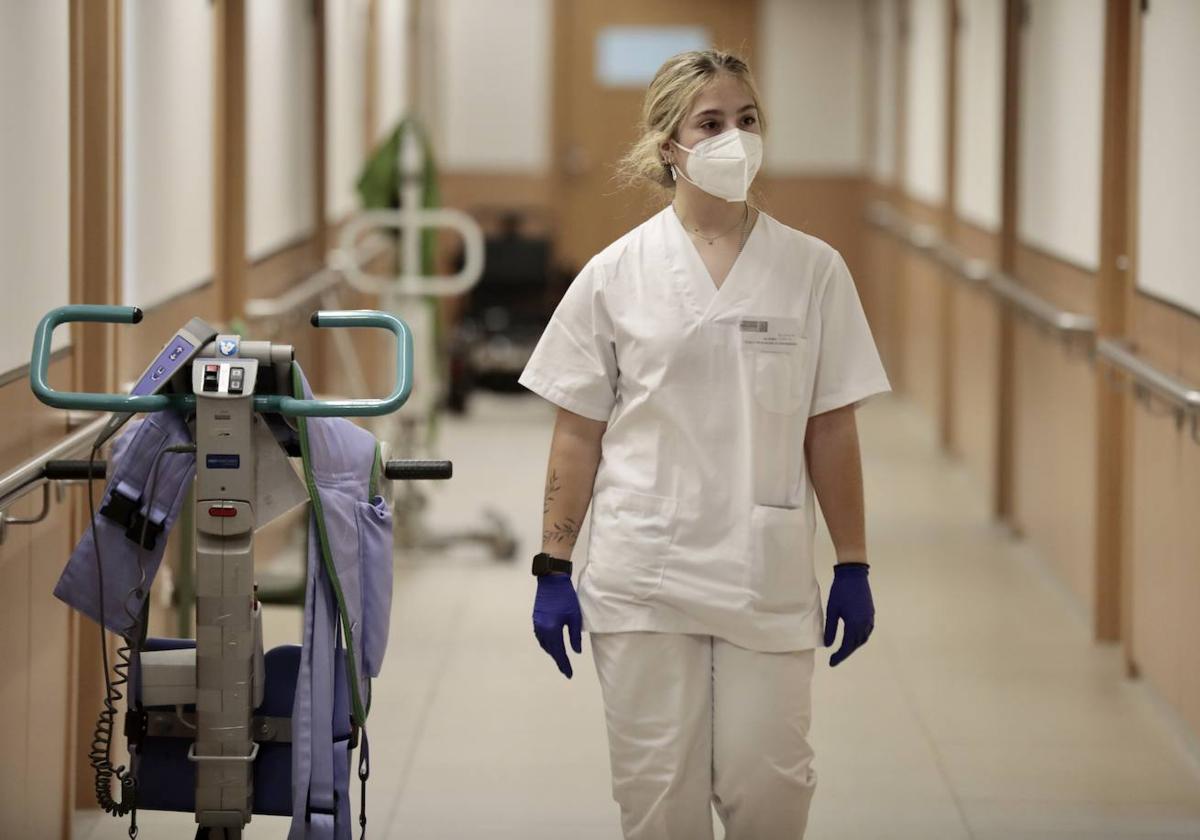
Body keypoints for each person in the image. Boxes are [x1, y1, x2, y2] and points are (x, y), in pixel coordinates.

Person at [518, 49, 891, 840]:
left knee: (774, 790)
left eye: (748, 120)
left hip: (765, 568)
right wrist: (554, 561)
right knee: (658, 801)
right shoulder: (616, 274)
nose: (735, 139)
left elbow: (831, 425)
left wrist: (853, 561)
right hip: (645, 568)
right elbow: (578, 431)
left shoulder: (812, 270)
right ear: (668, 146)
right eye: (712, 124)